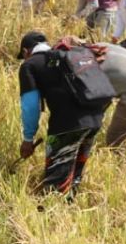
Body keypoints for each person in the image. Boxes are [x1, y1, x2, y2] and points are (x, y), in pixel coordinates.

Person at [17, 32, 108, 198]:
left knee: (56, 183)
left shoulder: (29, 65)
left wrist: (28, 139)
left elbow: (30, 106)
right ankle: (71, 208)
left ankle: (52, 218)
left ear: (25, 51)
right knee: (75, 173)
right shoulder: (68, 57)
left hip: (66, 126)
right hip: (95, 119)